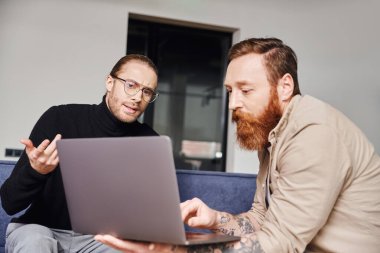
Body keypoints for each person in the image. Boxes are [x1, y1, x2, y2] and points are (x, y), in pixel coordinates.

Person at [94, 38, 380, 253]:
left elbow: (280, 242)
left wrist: (175, 250)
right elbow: (260, 219)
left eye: (246, 90)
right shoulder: (272, 135)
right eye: (230, 91)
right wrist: (214, 218)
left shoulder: (313, 132)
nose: (233, 104)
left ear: (285, 86)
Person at [0, 54, 160, 253]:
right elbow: (9, 203)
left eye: (147, 91)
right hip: (40, 229)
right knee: (36, 242)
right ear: (110, 82)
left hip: (100, 240)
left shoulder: (149, 142)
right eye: (131, 85)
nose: (137, 97)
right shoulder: (60, 118)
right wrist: (36, 171)